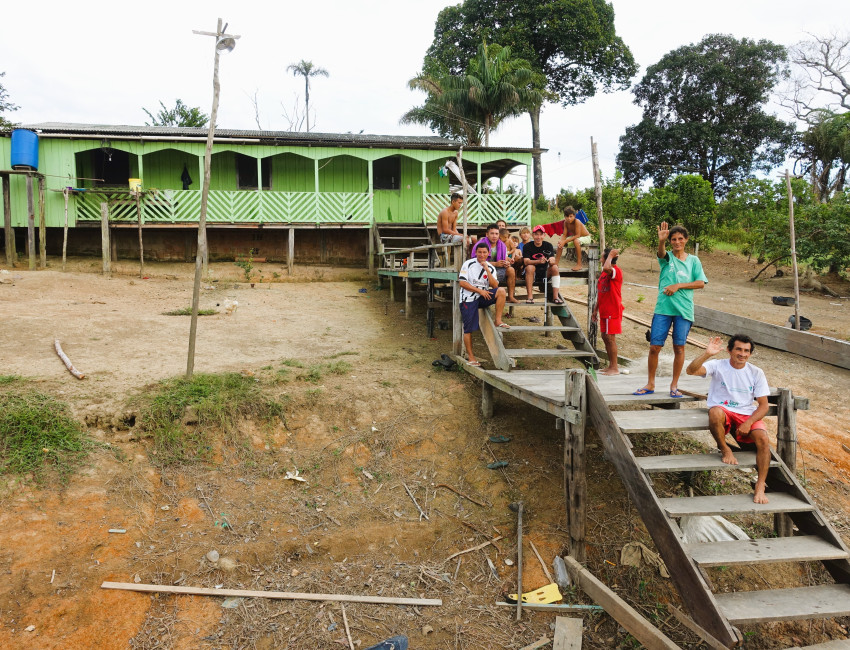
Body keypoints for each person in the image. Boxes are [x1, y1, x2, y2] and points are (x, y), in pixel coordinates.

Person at [686, 335, 771, 504]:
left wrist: (748, 423)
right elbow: (691, 371)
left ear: (750, 354)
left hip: (745, 413)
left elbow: (763, 405)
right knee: (715, 412)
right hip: (723, 410)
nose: (742, 354)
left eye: (746, 351)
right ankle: (724, 449)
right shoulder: (718, 365)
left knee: (763, 439)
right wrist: (707, 354)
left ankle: (760, 485)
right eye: (738, 349)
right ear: (729, 350)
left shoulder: (756, 372)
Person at [634, 222, 707, 398]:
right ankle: (650, 383)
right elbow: (661, 253)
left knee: (679, 348)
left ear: (686, 240)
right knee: (654, 347)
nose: (676, 242)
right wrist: (661, 241)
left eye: (680, 239)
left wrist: (678, 286)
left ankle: (674, 385)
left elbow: (700, 283)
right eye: (673, 239)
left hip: (683, 310)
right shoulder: (667, 258)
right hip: (663, 309)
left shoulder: (693, 261)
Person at [458, 240, 510, 366]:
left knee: (501, 291)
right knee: (468, 328)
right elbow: (462, 283)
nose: (481, 255)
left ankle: (498, 320)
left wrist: (486, 269)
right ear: (475, 253)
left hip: (483, 297)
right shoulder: (468, 264)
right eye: (479, 252)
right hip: (468, 298)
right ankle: (471, 357)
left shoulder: (491, 267)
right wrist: (479, 291)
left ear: (488, 254)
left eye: (484, 252)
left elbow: (494, 285)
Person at [592, 248, 623, 375]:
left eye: (602, 257)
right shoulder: (604, 274)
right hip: (604, 310)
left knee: (610, 338)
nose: (601, 259)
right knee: (605, 337)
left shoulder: (615, 271)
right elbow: (601, 293)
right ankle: (610, 365)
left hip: (613, 310)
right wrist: (595, 310)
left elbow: (606, 268)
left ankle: (615, 368)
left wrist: (609, 255)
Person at [471, 223, 519, 303]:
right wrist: (495, 264)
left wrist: (506, 263)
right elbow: (475, 261)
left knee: (511, 270)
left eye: (496, 234)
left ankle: (510, 296)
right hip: (482, 270)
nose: (494, 236)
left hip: (498, 270)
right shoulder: (480, 244)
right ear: (487, 234)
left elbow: (503, 259)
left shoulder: (502, 245)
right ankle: (493, 297)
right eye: (492, 233)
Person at [522, 225, 562, 304]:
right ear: (533, 235)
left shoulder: (548, 245)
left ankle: (555, 297)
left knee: (555, 267)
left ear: (544, 235)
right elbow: (526, 261)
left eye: (540, 234)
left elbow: (553, 260)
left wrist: (551, 260)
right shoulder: (527, 246)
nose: (538, 237)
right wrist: (538, 261)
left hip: (545, 272)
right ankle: (530, 297)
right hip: (531, 273)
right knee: (530, 267)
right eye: (536, 234)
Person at [555, 206, 591, 271]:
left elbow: (578, 235)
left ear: (574, 216)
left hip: (586, 237)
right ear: (564, 217)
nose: (569, 218)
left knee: (576, 241)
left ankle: (579, 264)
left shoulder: (577, 221)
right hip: (576, 238)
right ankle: (555, 264)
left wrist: (565, 241)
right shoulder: (565, 223)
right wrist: (562, 241)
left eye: (571, 216)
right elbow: (564, 235)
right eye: (567, 216)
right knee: (560, 244)